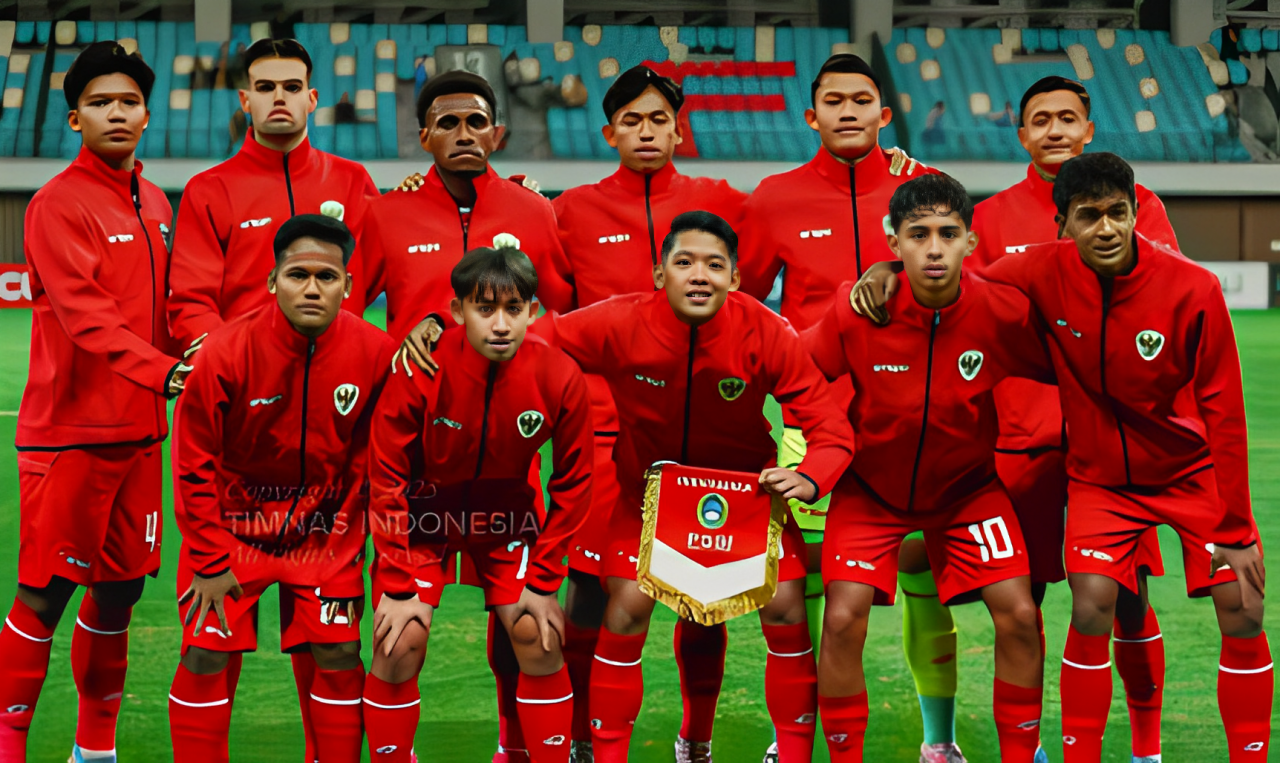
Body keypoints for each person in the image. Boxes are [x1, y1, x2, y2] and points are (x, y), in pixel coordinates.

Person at [855, 153, 1271, 763]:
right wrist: (890, 266)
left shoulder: (1193, 288)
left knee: (1243, 605)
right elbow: (956, 280)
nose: (1105, 228)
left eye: (1117, 213)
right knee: (1093, 601)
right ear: (1062, 226)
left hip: (1189, 472)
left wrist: (1236, 529)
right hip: (1101, 481)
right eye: (1088, 216)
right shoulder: (1038, 271)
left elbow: (1226, 417)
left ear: (1136, 215)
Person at [960, 76, 1178, 763]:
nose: (1054, 130)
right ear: (1021, 135)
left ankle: (1147, 749)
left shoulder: (1139, 205)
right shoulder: (990, 216)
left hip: (1111, 452)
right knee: (1019, 607)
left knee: (1125, 600)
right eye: (1040, 121)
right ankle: (1027, 751)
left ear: (1089, 127)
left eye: (1067, 118)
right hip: (1018, 447)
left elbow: (1167, 299)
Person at [735, 52, 941, 763]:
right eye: (834, 100)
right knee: (808, 593)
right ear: (811, 115)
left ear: (886, 115)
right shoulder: (772, 198)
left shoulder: (925, 190)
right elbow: (742, 304)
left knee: (924, 584)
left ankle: (937, 740)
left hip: (914, 428)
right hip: (810, 427)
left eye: (862, 100)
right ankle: (791, 739)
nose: (848, 111)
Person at [804, 174, 1049, 763]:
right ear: (894, 241)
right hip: (870, 493)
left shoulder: (1001, 312)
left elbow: (1073, 360)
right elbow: (795, 371)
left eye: (947, 233)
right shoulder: (859, 311)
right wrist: (825, 442)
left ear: (970, 239)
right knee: (841, 618)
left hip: (968, 492)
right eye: (918, 235)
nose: (933, 248)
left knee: (1019, 614)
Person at [549, 64, 749, 763]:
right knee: (591, 596)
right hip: (602, 440)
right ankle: (580, 738)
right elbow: (547, 313)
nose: (645, 130)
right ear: (609, 132)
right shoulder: (568, 210)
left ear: (678, 128)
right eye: (630, 121)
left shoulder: (721, 199)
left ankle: (695, 740)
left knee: (702, 597)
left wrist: (900, 162)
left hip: (706, 443)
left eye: (657, 119)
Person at [0, 42, 188, 763]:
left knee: (118, 598)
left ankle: (94, 751)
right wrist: (166, 373)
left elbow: (165, 310)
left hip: (140, 436)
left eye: (130, 101)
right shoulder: (56, 203)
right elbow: (86, 317)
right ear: (75, 117)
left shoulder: (156, 200)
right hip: (69, 439)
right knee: (44, 598)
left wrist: (201, 354)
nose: (118, 112)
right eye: (102, 102)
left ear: (146, 115)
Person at [166, 213, 395, 763]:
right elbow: (192, 464)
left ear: (347, 284)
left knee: (339, 650)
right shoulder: (224, 352)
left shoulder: (376, 353)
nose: (312, 288)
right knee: (205, 651)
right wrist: (209, 561)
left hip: (327, 531)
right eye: (297, 275)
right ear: (272, 282)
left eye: (327, 276)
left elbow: (385, 461)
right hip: (233, 529)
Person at [365, 241, 593, 763]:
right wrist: (398, 582)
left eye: (514, 310)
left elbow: (576, 482)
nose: (500, 325)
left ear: (533, 312)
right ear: (456, 310)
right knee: (398, 644)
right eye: (484, 309)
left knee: (539, 635)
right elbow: (385, 475)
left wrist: (544, 579)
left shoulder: (559, 376)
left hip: (506, 518)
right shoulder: (421, 369)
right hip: (424, 519)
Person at [169, 38, 380, 352]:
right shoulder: (209, 189)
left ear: (312, 99)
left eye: (292, 87)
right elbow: (191, 301)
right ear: (245, 100)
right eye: (266, 87)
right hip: (247, 374)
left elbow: (389, 272)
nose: (279, 97)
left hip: (338, 374)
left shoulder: (353, 180)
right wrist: (231, 362)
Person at [362, 69, 573, 346]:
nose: (464, 136)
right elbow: (344, 309)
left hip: (505, 386)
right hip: (418, 386)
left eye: (477, 122)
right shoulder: (386, 214)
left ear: (496, 136)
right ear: (425, 138)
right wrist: (389, 362)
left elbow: (567, 313)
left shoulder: (532, 210)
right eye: (448, 123)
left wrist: (526, 353)